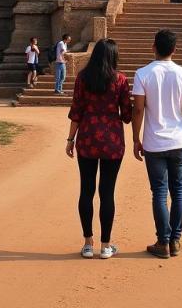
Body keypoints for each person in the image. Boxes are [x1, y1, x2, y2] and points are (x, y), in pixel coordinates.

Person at [132, 29, 182, 259]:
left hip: (154, 143)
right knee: (178, 190)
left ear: (153, 47)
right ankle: (176, 240)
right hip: (179, 140)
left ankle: (163, 241)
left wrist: (135, 139)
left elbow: (138, 109)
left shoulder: (142, 74)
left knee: (159, 192)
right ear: (174, 49)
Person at [66, 38, 132, 259]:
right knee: (107, 192)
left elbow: (77, 110)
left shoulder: (83, 78)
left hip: (87, 138)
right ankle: (105, 246)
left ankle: (87, 243)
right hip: (112, 140)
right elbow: (126, 116)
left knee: (86, 190)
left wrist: (70, 140)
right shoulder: (120, 80)